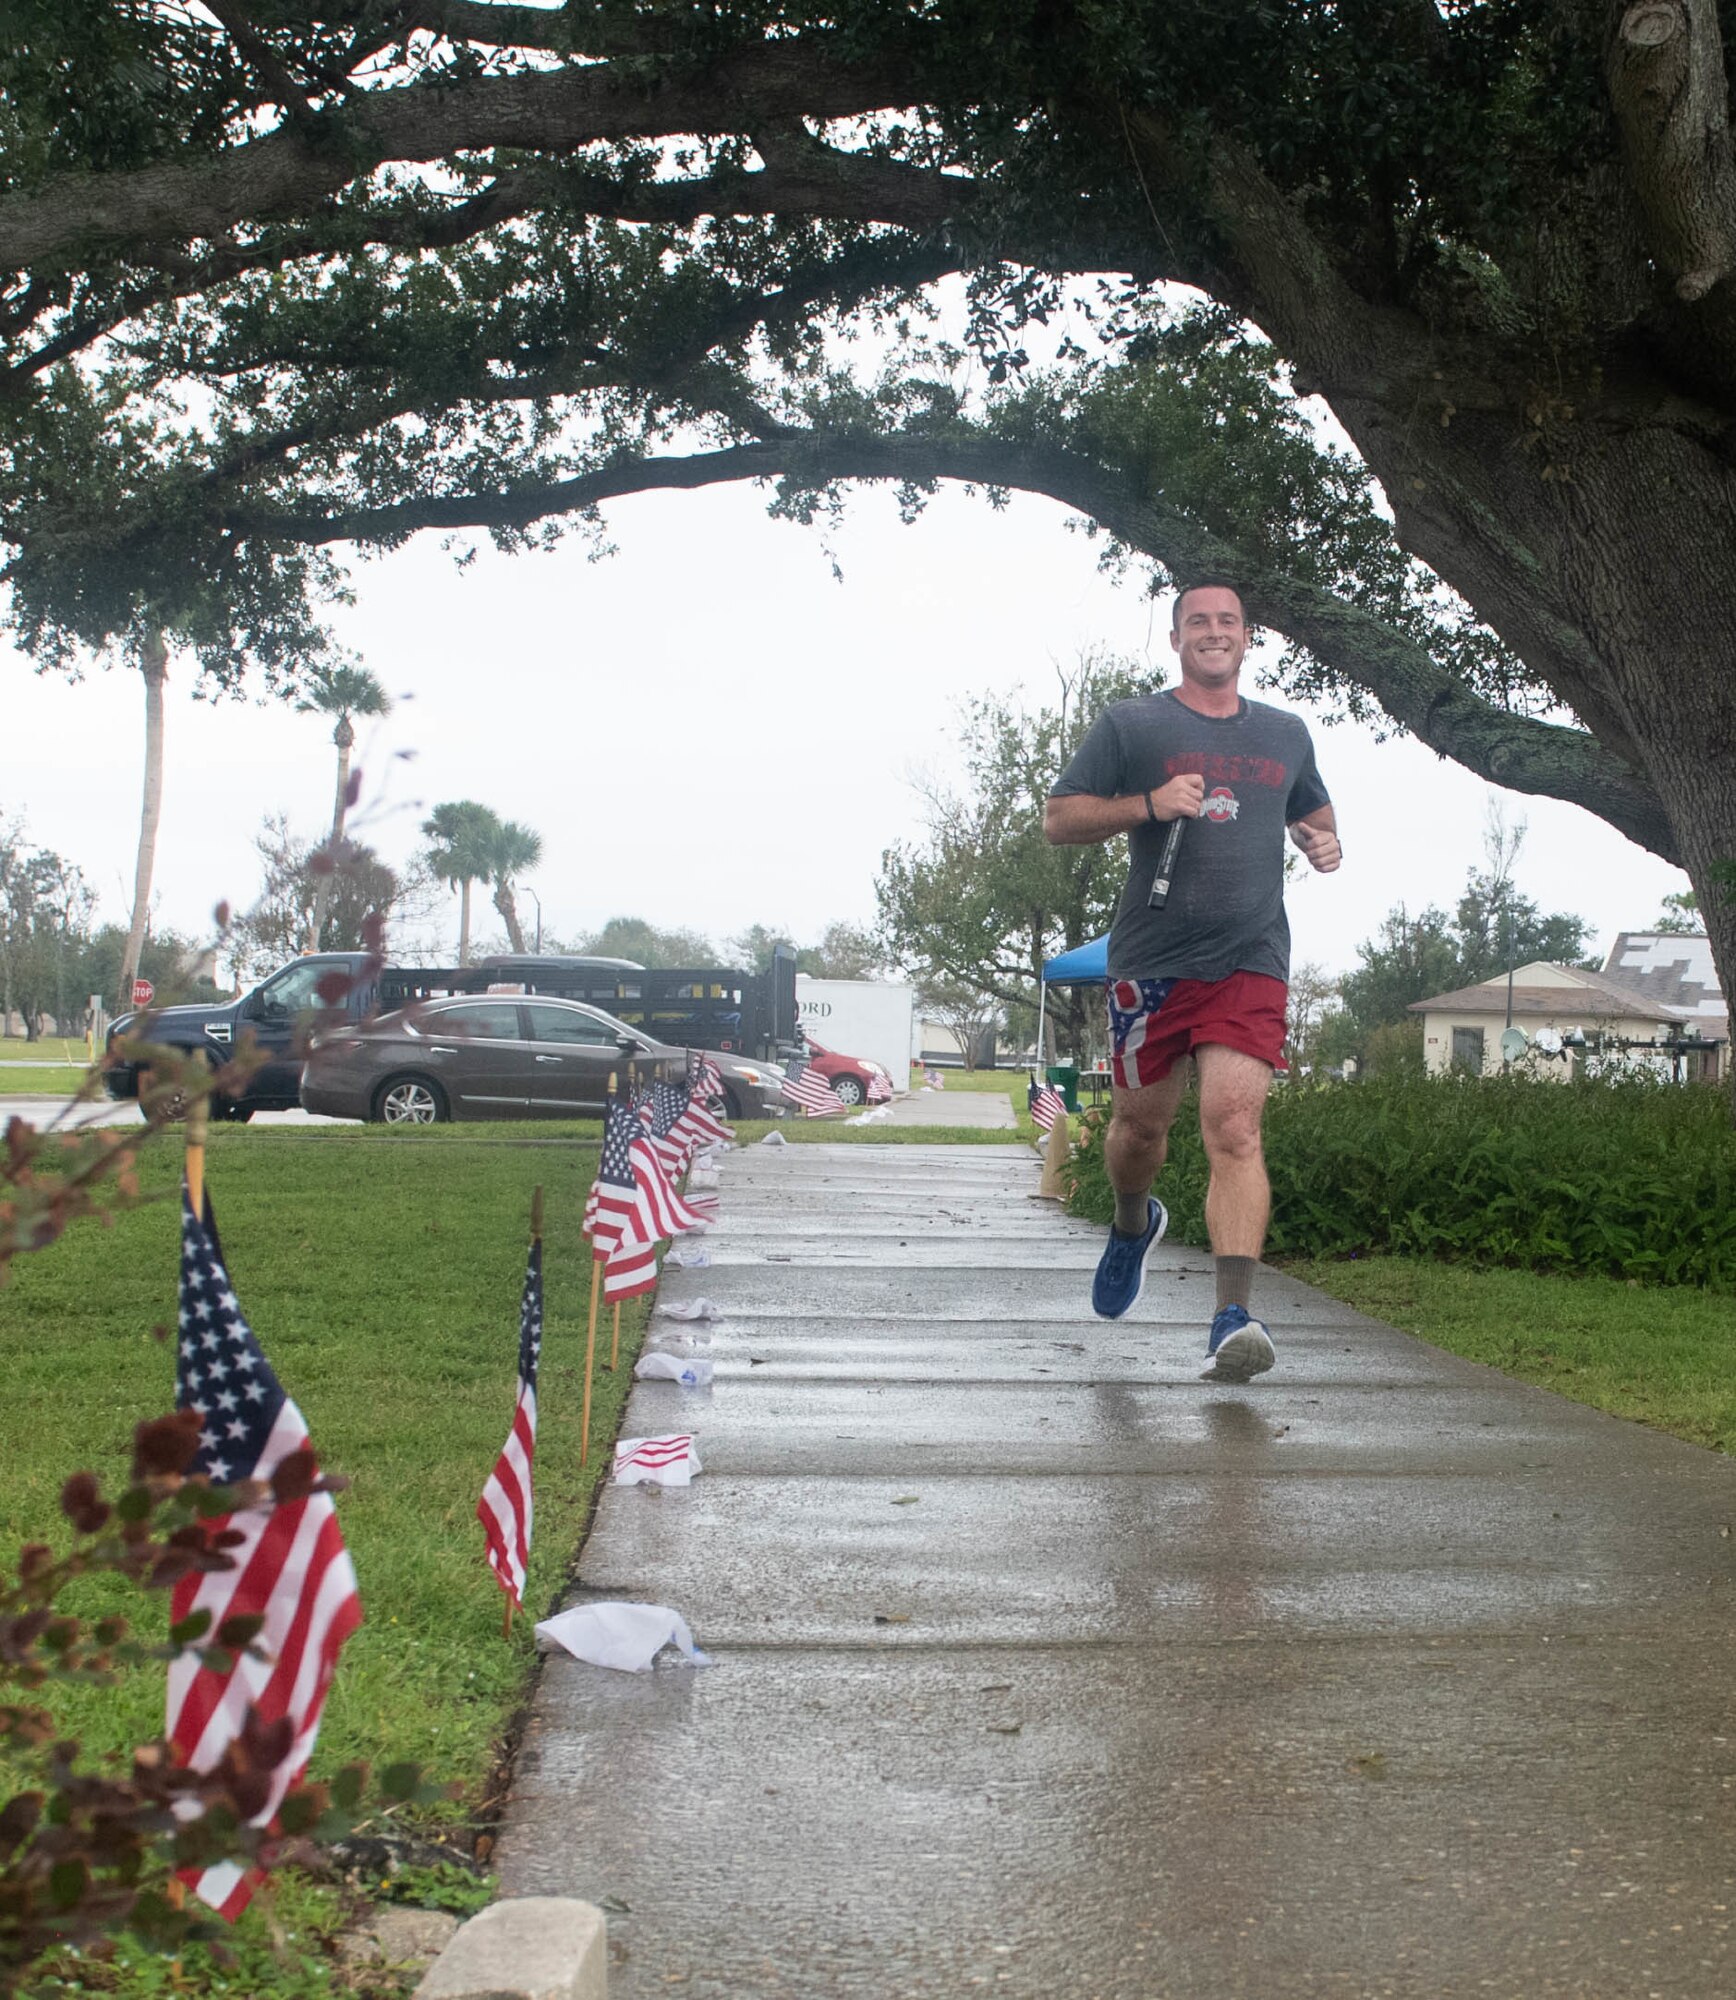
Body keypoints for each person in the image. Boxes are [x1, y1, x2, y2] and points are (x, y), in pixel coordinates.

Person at [1043, 581, 1341, 1381]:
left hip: (1250, 957)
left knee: (1235, 1128)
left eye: (1229, 622)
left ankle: (1231, 1318)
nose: (1215, 633)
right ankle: (1132, 1221)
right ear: (1176, 638)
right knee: (1139, 1132)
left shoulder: (1286, 733)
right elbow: (1059, 817)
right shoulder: (1134, 724)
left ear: (1248, 639)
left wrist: (1324, 844)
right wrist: (1147, 802)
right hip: (1150, 960)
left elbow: (1313, 811)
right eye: (1198, 622)